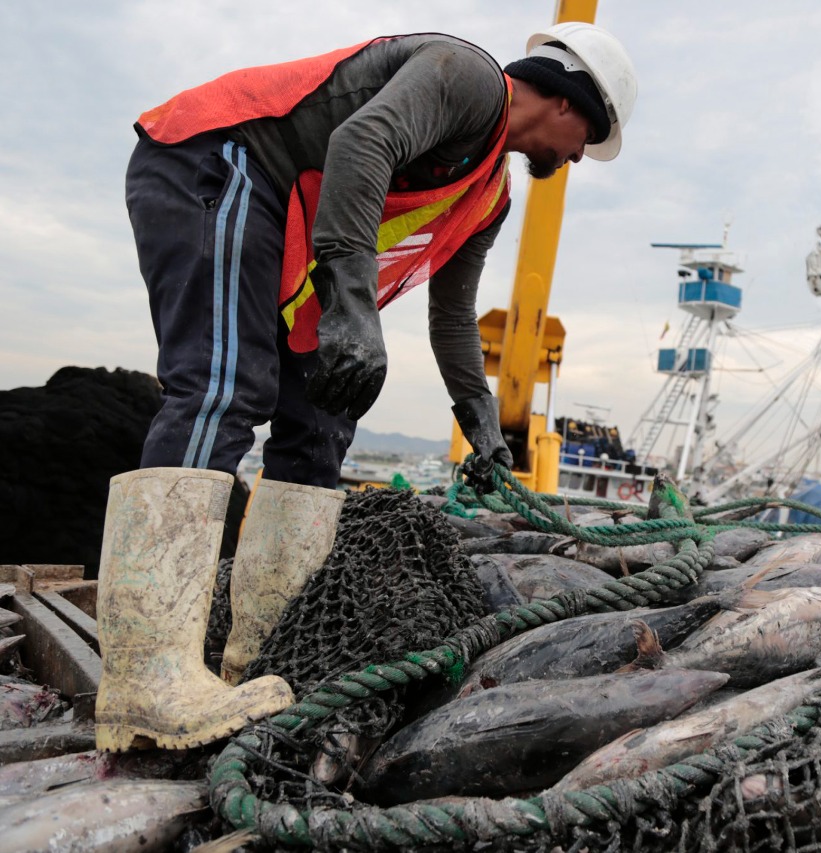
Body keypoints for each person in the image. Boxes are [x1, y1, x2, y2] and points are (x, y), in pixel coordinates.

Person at [94, 24, 638, 753]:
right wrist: (352, 306)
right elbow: (362, 144)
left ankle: (259, 655)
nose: (576, 158)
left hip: (296, 228)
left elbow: (451, 315)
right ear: (572, 105)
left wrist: (480, 423)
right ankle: (145, 680)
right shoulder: (468, 79)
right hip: (221, 163)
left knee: (323, 422)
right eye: (586, 142)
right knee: (223, 386)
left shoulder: (491, 197)